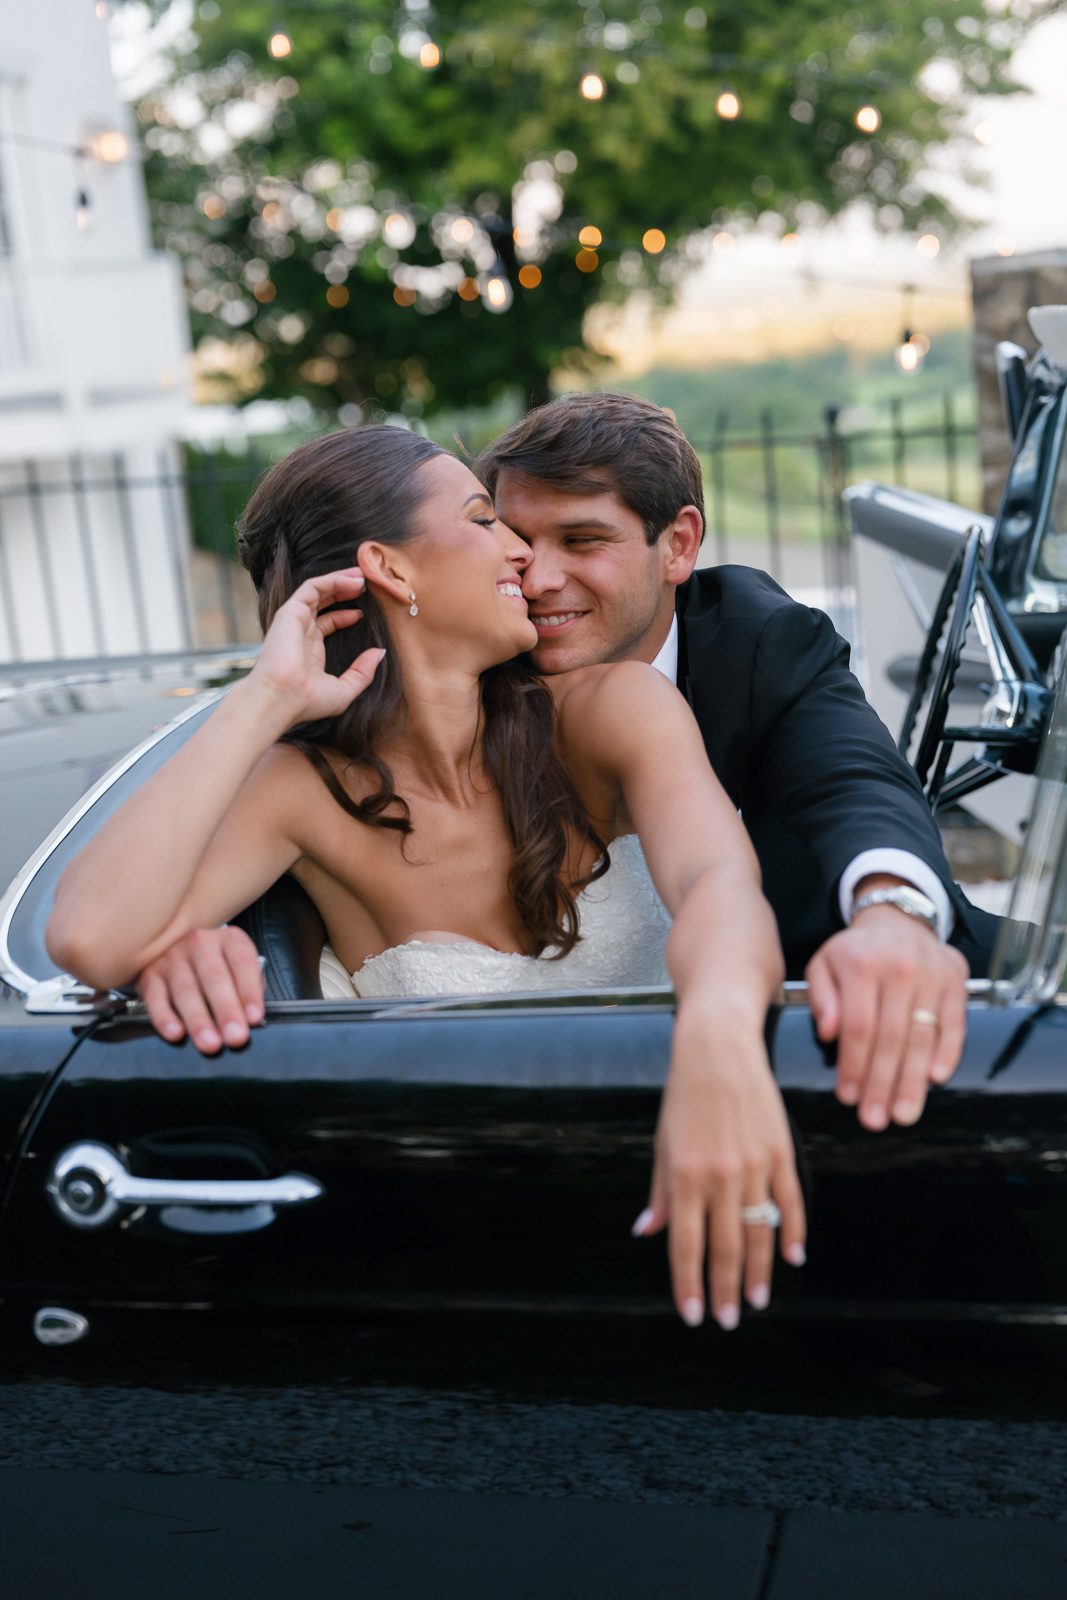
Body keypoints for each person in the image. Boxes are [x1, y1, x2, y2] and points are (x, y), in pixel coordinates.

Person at [46, 424, 805, 1332]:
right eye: (487, 520)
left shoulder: (616, 710)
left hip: (686, 1176)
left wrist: (719, 1036)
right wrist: (264, 699)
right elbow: (90, 937)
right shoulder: (300, 793)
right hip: (455, 1259)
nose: (522, 551)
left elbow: (721, 882)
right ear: (391, 571)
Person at [139, 394, 988, 1133]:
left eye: (581, 540)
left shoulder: (759, 642)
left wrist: (889, 915)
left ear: (678, 544)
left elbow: (855, 785)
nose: (536, 575)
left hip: (853, 1029)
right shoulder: (470, 677)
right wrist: (198, 937)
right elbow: (325, 827)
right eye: (508, 531)